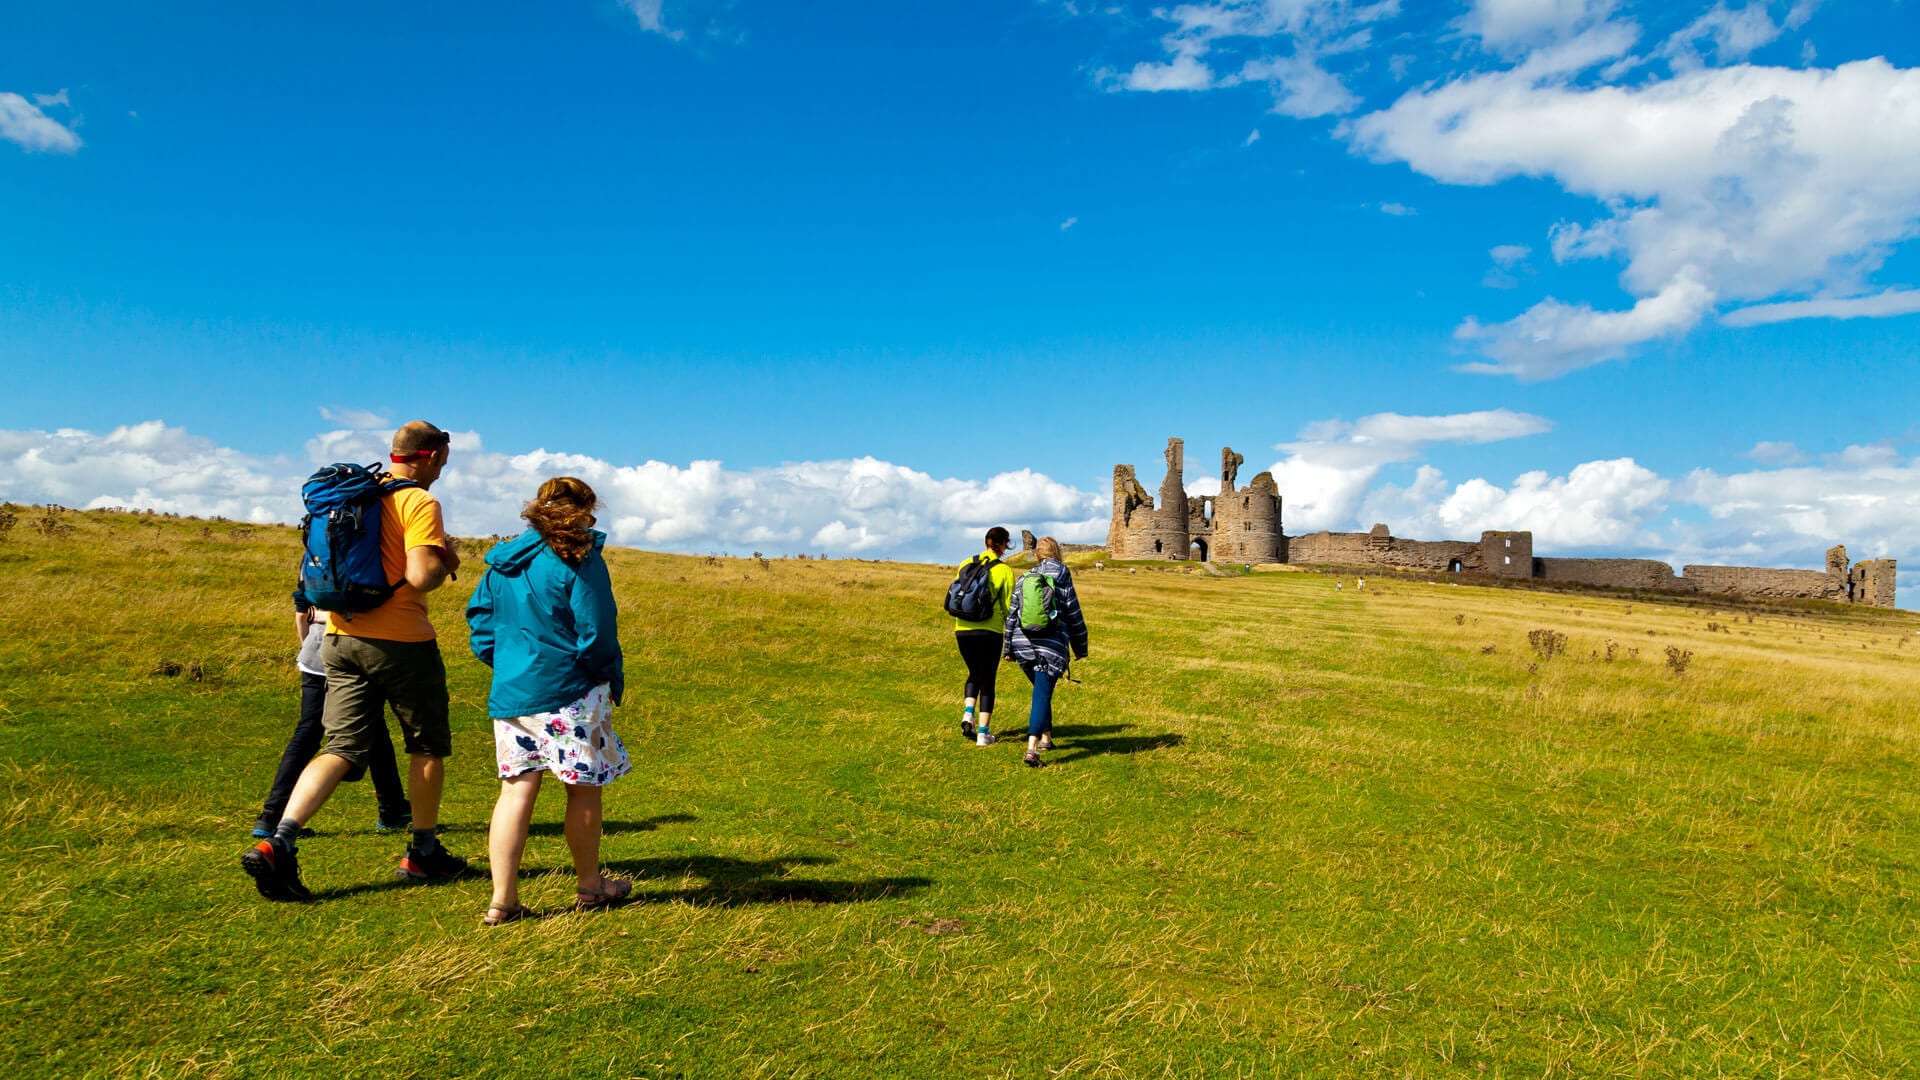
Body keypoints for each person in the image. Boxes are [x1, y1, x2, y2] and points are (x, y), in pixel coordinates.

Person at [242, 420, 468, 901]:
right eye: (443, 463)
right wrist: (446, 559)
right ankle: (423, 851)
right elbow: (422, 576)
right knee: (426, 747)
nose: (441, 472)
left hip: (339, 638)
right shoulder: (418, 502)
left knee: (340, 747)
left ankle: (278, 841)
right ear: (430, 456)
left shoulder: (353, 494)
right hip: (402, 641)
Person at [466, 477, 632, 925]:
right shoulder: (579, 557)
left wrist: (506, 662)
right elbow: (597, 629)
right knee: (583, 789)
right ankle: (590, 886)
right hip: (570, 690)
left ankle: (503, 900)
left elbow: (480, 620)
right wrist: (605, 673)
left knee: (516, 789)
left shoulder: (503, 560)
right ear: (583, 511)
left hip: (515, 692)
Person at [248, 587, 411, 839]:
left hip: (314, 653)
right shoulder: (364, 564)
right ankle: (391, 810)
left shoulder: (313, 563)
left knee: (321, 731)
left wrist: (309, 646)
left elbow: (302, 614)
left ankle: (271, 815)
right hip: (356, 652)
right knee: (367, 725)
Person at [1004, 537, 1089, 768]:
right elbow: (1073, 612)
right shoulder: (1062, 575)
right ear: (1057, 553)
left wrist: (1008, 648)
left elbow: (1012, 614)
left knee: (1042, 690)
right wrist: (1081, 647)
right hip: (1050, 646)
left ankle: (1046, 738)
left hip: (1022, 645)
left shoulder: (1025, 577)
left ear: (1037, 555)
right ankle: (1031, 749)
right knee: (1041, 693)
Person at [953, 526, 1016, 745]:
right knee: (988, 679)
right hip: (990, 630)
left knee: (974, 672)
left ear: (985, 542)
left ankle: (968, 713)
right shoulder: (1004, 571)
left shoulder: (965, 563)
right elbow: (1009, 607)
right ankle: (983, 734)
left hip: (962, 628)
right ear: (1005, 545)